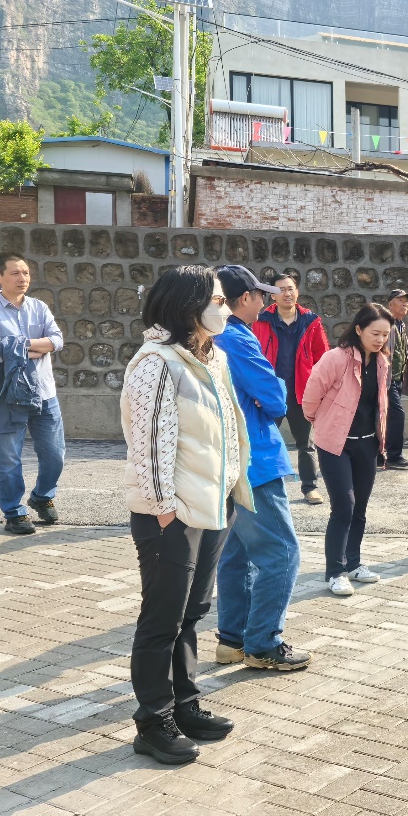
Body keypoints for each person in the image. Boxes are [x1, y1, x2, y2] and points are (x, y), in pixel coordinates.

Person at [121, 265, 252, 764]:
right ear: (185, 305)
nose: (225, 307)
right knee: (163, 619)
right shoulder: (156, 363)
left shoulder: (212, 357)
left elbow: (227, 430)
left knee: (192, 613)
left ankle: (184, 704)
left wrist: (230, 490)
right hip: (171, 514)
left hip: (212, 506)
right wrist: (164, 511)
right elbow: (149, 443)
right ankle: (153, 722)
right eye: (216, 300)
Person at [213, 265, 312, 671]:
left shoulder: (208, 335)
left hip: (224, 460)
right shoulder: (237, 337)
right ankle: (263, 642)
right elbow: (273, 397)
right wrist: (269, 398)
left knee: (236, 553)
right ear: (244, 299)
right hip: (255, 461)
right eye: (260, 295)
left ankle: (232, 639)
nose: (266, 301)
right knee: (281, 552)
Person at [302, 303, 392, 597]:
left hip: (367, 442)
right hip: (335, 443)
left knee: (360, 508)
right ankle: (335, 571)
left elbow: (380, 404)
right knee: (344, 507)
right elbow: (310, 396)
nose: (380, 339)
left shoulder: (382, 362)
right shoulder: (336, 358)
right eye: (375, 333)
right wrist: (321, 423)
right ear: (359, 329)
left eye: (385, 335)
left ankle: (353, 563)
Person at [0, 251, 65, 535]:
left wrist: (17, 345)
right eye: (15, 273)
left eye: (26, 272)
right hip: (6, 396)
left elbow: (57, 340)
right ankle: (14, 512)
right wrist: (36, 346)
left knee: (55, 455)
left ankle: (42, 496)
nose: (22, 278)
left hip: (44, 392)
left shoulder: (39, 307)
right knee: (9, 459)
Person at [253, 274, 329, 505]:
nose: (287, 293)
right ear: (272, 295)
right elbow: (253, 357)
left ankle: (310, 488)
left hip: (301, 392)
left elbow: (322, 358)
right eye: (281, 290)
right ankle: (262, 489)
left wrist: (320, 391)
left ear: (297, 291)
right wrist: (256, 390)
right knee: (263, 441)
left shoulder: (311, 322)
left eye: (290, 289)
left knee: (306, 444)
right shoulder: (261, 321)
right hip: (270, 393)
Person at [384, 288, 408, 471]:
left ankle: (382, 456)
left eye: (406, 301)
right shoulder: (386, 323)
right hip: (386, 379)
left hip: (396, 379)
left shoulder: (400, 324)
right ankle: (393, 456)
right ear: (390, 304)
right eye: (400, 300)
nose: (405, 304)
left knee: (387, 417)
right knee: (397, 415)